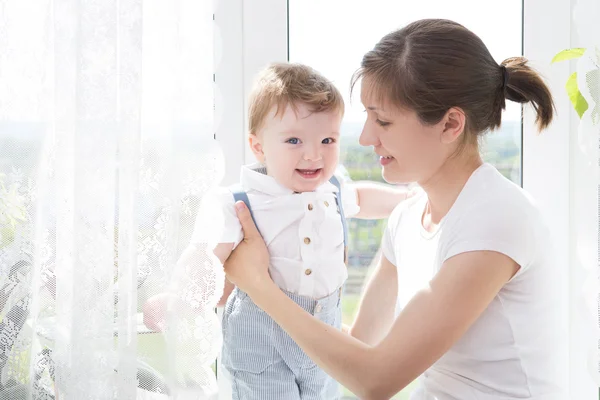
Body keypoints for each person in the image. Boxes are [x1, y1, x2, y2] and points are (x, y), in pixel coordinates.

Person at [222, 19, 567, 400]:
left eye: (383, 120)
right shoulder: (407, 218)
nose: (367, 137)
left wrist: (257, 285)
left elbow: (375, 379)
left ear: (450, 123)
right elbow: (355, 346)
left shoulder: (497, 218)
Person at [144, 63, 412, 399]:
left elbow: (362, 197)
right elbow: (207, 256)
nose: (313, 154)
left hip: (322, 333)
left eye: (327, 140)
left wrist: (407, 199)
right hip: (261, 342)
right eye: (294, 140)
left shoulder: (332, 188)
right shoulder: (240, 202)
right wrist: (178, 299)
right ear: (258, 147)